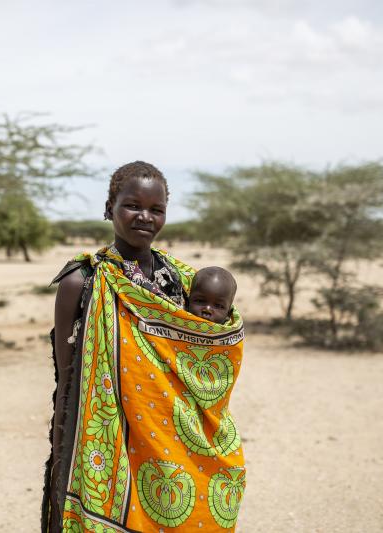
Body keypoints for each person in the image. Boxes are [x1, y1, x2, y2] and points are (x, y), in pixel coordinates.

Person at [43, 161, 246, 532]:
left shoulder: (183, 281)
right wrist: (60, 444)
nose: (144, 217)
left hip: (168, 431)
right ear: (110, 209)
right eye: (132, 205)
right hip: (103, 429)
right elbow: (66, 369)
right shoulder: (82, 280)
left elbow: (203, 351)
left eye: (156, 209)